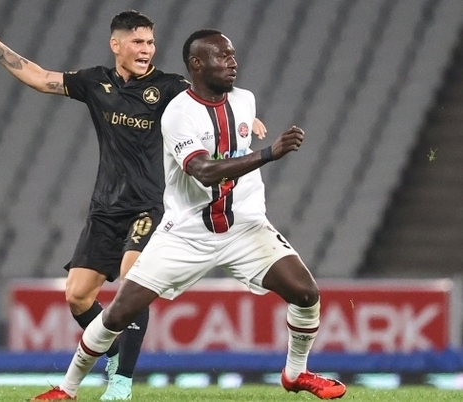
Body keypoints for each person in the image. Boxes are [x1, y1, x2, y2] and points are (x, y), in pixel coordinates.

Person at [0, 10, 266, 401]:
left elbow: (211, 96)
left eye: (150, 42)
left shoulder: (169, 87)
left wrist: (248, 118)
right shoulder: (94, 82)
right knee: (77, 297)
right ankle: (115, 353)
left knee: (132, 280)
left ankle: (122, 382)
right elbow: (39, 77)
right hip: (105, 207)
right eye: (138, 42)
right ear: (116, 45)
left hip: (150, 204)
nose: (146, 49)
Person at [49, 29, 347, 400]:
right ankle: (67, 389)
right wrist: (269, 153)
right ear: (197, 64)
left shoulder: (245, 100)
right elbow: (203, 171)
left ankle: (295, 373)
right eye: (222, 56)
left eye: (232, 55)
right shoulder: (177, 114)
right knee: (117, 315)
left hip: (244, 228)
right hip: (186, 234)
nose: (233, 63)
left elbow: (233, 143)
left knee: (306, 293)